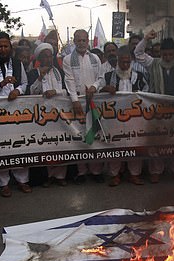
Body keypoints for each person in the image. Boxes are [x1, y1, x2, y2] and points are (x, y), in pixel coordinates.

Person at [135, 30, 174, 183]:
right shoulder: (154, 63)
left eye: (171, 54)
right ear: (161, 54)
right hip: (158, 110)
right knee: (157, 141)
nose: (168, 58)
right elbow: (138, 53)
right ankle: (156, 170)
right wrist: (145, 39)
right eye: (165, 55)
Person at [0, 32, 31, 196]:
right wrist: (2, 83)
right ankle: (2, 183)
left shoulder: (17, 63)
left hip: (17, 112)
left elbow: (24, 84)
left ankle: (22, 180)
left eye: (6, 46)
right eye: (0, 46)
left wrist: (17, 91)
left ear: (10, 48)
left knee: (19, 145)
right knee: (1, 147)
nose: (3, 49)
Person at [97, 45, 148, 187]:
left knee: (135, 145)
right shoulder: (108, 77)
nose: (125, 65)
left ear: (131, 61)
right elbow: (98, 91)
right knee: (115, 146)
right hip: (114, 119)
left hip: (135, 118)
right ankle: (115, 175)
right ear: (117, 61)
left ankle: (134, 174)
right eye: (122, 62)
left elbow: (148, 92)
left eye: (127, 62)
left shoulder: (140, 77)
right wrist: (105, 89)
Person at [62, 29, 104, 183]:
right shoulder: (67, 59)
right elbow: (69, 80)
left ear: (88, 41)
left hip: (93, 100)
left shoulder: (95, 58)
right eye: (78, 40)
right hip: (77, 101)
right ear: (74, 41)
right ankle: (81, 172)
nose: (81, 43)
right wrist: (74, 100)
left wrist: (94, 86)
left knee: (94, 135)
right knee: (79, 136)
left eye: (84, 40)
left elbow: (100, 78)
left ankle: (96, 171)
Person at [27, 42, 68, 187]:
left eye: (50, 56)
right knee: (47, 147)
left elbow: (66, 90)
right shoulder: (33, 73)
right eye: (45, 57)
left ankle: (60, 176)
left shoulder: (59, 72)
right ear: (39, 59)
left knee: (60, 145)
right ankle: (49, 176)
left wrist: (55, 92)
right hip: (41, 117)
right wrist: (40, 77)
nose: (48, 60)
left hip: (60, 114)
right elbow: (31, 92)